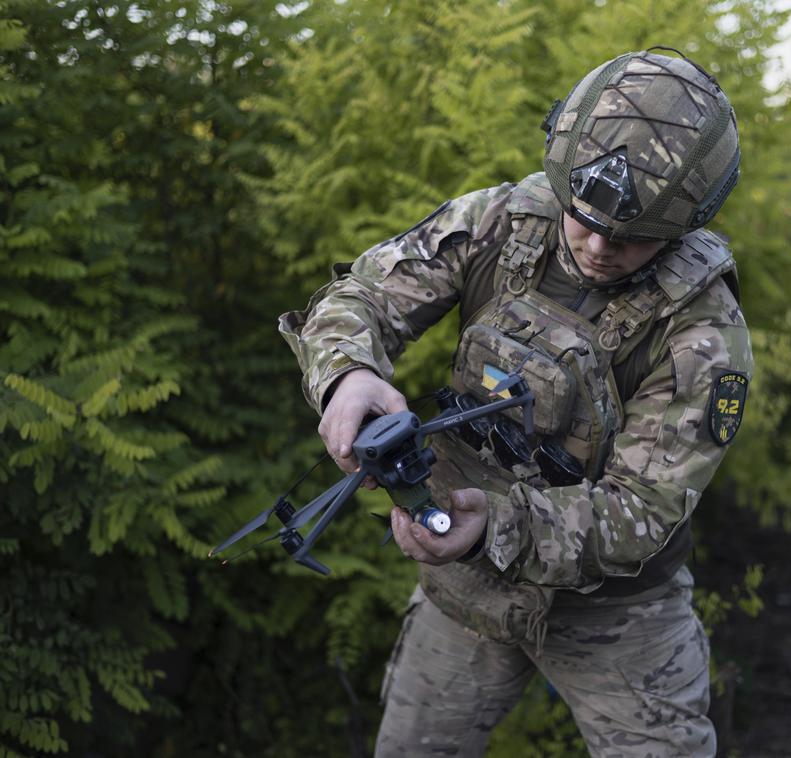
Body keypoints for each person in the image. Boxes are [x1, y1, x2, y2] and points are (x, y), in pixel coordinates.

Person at [279, 49, 752, 758]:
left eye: (630, 238)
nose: (596, 246)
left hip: (619, 619)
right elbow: (363, 295)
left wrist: (492, 523)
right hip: (464, 590)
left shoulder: (702, 333)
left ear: (688, 221)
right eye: (582, 217)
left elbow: (641, 513)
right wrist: (347, 374)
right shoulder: (505, 222)